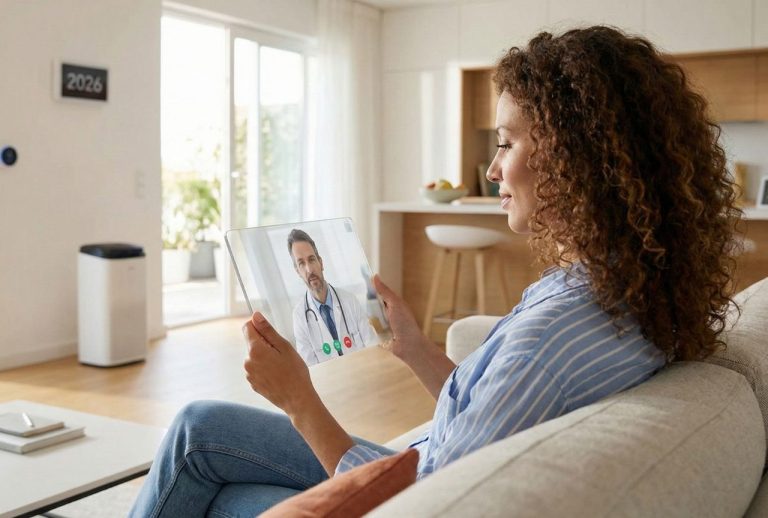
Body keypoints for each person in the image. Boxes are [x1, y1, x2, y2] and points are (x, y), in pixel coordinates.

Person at [130, 26, 740, 517]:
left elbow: (430, 497)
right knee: (200, 432)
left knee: (196, 442)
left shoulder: (550, 337)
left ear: (573, 154)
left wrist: (298, 401)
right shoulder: (620, 291)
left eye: (505, 143)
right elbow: (494, 413)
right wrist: (417, 349)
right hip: (418, 460)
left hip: (408, 482)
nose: (494, 170)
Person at [287, 229, 379, 365]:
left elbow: (372, 346)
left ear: (321, 263)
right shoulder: (299, 316)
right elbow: (309, 368)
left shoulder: (350, 301)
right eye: (301, 263)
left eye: (311, 260)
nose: (309, 269)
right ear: (297, 272)